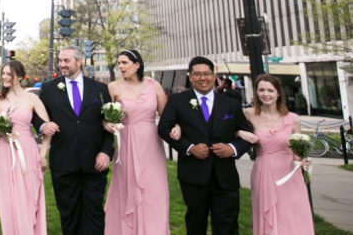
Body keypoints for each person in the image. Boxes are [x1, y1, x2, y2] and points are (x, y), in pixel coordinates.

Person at [157, 56, 252, 235]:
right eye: (197, 74)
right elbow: (164, 128)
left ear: (214, 75)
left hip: (225, 176)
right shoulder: (178, 101)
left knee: (228, 225)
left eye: (207, 74)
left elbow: (246, 135)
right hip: (193, 175)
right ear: (190, 77)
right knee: (195, 224)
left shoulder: (230, 104)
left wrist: (231, 149)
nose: (203, 78)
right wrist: (189, 147)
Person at [33, 46, 114, 235]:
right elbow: (37, 116)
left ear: (79, 62)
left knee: (94, 211)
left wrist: (106, 152)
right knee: (68, 213)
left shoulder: (100, 89)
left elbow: (111, 123)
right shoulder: (49, 88)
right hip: (63, 161)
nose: (62, 65)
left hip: (94, 162)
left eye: (66, 61)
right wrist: (43, 127)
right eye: (60, 61)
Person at [102, 49, 170, 235]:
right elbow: (103, 116)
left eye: (125, 63)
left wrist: (176, 128)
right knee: (126, 185)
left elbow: (166, 117)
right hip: (126, 142)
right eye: (119, 64)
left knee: (154, 189)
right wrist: (107, 122)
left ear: (137, 64)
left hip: (151, 143)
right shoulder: (113, 87)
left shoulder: (154, 85)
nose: (121, 67)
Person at [236, 74, 313, 235]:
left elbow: (297, 151)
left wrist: (303, 160)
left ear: (278, 93)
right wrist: (240, 132)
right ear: (256, 93)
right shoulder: (249, 114)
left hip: (289, 175)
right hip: (263, 172)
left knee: (291, 216)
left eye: (270, 90)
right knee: (268, 215)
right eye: (261, 90)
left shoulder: (292, 119)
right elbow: (228, 130)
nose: (266, 94)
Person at [0, 60, 50, 235]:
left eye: (9, 74)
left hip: (27, 150)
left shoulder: (32, 98)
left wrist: (42, 154)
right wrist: (2, 133)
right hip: (7, 151)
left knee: (27, 196)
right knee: (8, 199)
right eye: (3, 73)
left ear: (20, 77)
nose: (4, 77)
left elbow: (47, 127)